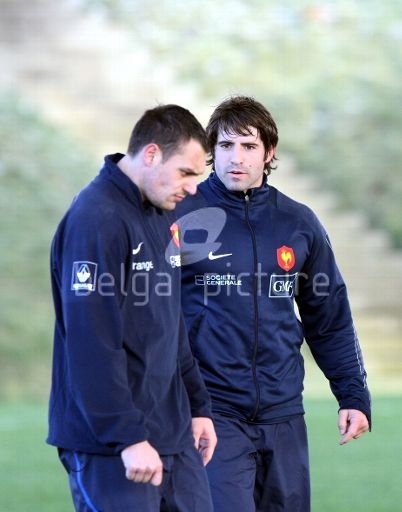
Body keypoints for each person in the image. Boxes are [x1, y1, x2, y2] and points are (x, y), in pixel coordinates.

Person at [176, 95, 371, 511]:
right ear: (212, 150)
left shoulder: (298, 222)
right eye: (226, 146)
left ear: (269, 153)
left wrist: (353, 395)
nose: (236, 158)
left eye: (249, 146)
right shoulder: (180, 216)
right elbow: (150, 317)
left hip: (284, 415)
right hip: (212, 412)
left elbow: (329, 318)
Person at [47, 104, 217, 511]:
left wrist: (197, 407)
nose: (193, 188)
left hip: (173, 434)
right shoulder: (95, 218)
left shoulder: (162, 213)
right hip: (113, 445)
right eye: (186, 173)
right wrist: (127, 437)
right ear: (152, 154)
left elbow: (170, 323)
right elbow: (91, 341)